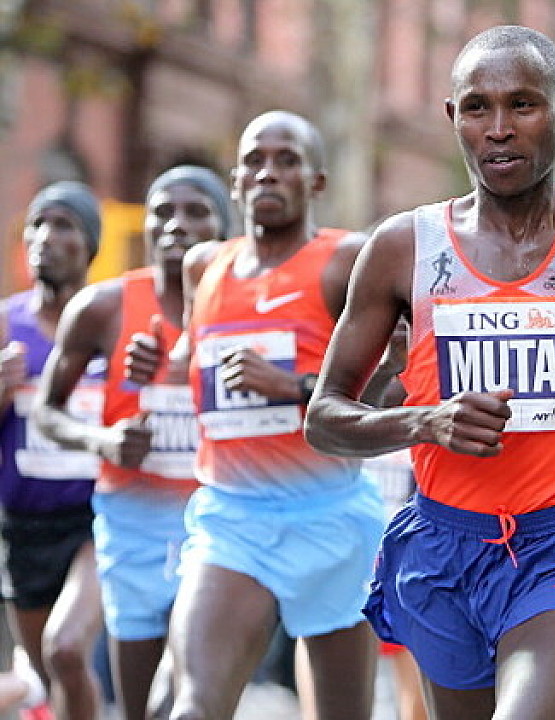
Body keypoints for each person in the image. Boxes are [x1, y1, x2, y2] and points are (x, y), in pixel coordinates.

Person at [305, 25, 555, 720]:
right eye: (477, 108)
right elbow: (326, 417)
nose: (499, 129)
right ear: (452, 118)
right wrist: (425, 422)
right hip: (446, 546)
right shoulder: (402, 249)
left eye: (523, 104)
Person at [125, 110, 386, 720]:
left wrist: (292, 387)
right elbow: (194, 359)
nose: (268, 173)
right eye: (254, 161)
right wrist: (158, 363)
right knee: (190, 708)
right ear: (236, 181)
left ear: (316, 182)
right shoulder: (204, 266)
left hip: (331, 518)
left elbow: (393, 389)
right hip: (232, 519)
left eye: (286, 160)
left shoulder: (346, 260)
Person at [32, 166, 232, 720]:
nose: (176, 225)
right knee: (140, 706)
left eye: (196, 213)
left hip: (222, 519)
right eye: (163, 212)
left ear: (224, 228)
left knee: (191, 692)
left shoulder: (245, 304)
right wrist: (103, 440)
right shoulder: (105, 307)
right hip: (132, 523)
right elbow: (48, 411)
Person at [0, 181, 106, 720]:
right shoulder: (5, 325)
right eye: (36, 225)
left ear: (90, 245)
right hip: (24, 526)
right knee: (47, 674)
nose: (45, 236)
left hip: (96, 520)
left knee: (66, 649)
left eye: (63, 224)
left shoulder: (109, 321)